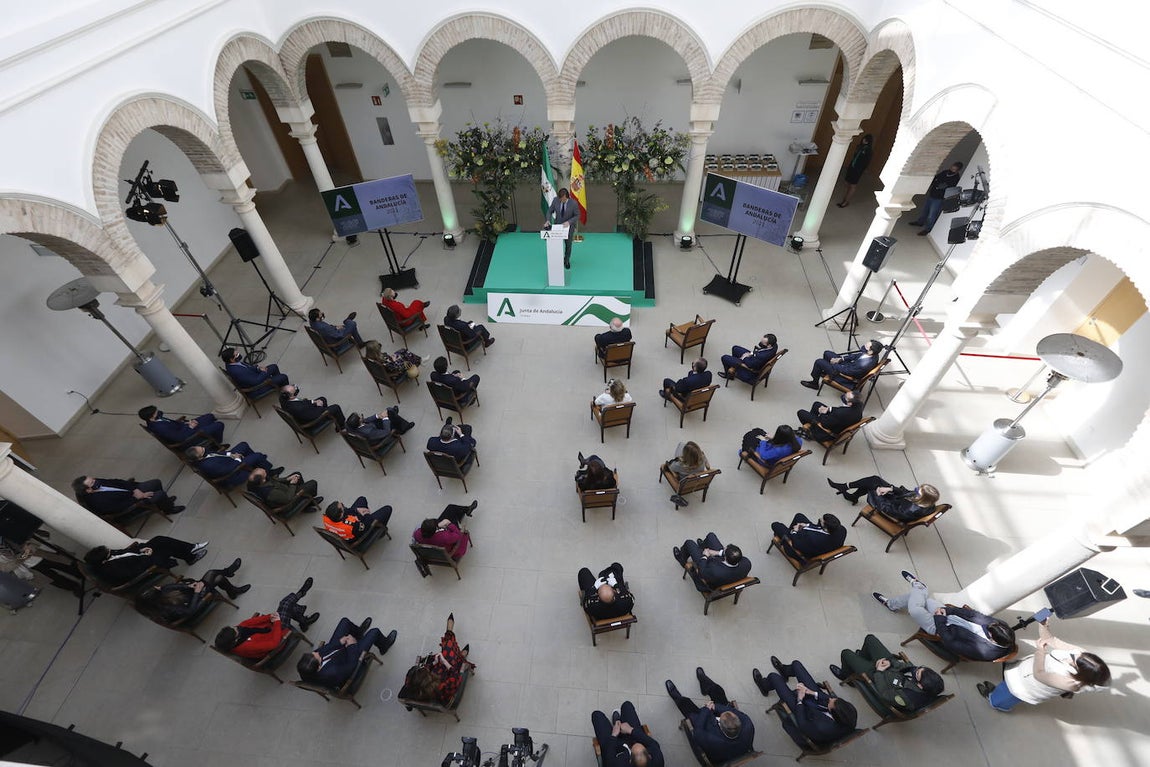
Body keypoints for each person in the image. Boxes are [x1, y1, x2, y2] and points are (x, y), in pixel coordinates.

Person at [874, 570, 1016, 661]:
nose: (987, 625)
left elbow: (950, 642)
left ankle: (918, 587)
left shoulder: (986, 652)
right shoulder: (999, 626)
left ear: (992, 637)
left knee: (915, 609)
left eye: (988, 629)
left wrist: (940, 619)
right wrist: (947, 611)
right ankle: (897, 601)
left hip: (941, 628)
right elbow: (972, 614)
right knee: (921, 599)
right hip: (948, 615)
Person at [976, 617, 1110, 711]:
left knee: (1010, 694)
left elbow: (1039, 674)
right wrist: (1043, 624)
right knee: (1007, 685)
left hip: (1027, 686)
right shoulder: (1080, 654)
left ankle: (994, 701)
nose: (1072, 653)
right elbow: (1050, 639)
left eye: (1074, 659)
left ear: (1080, 672)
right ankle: (996, 693)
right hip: (1024, 671)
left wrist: (1040, 651)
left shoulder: (1071, 683)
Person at [753, 656, 858, 748]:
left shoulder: (822, 728)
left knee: (773, 677)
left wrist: (800, 699)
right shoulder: (849, 711)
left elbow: (802, 723)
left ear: (833, 712)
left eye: (831, 701)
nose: (830, 698)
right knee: (796, 664)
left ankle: (764, 686)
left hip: (802, 711)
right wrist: (811, 692)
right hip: (816, 703)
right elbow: (827, 698)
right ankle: (785, 671)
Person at [832, 633, 945, 714]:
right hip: (890, 668)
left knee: (846, 653)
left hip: (878, 677)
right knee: (870, 639)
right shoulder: (925, 678)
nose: (916, 670)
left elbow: (884, 693)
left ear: (920, 685)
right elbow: (908, 667)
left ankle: (847, 675)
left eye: (917, 674)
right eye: (920, 669)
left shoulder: (907, 697)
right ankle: (863, 658)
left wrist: (879, 671)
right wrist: (890, 663)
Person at [214, 577, 321, 660]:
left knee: (287, 608)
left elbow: (251, 622)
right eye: (236, 630)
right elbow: (273, 644)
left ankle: (303, 620)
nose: (237, 627)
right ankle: (301, 595)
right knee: (285, 604)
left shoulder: (238, 631)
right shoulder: (248, 646)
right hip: (277, 638)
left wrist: (270, 616)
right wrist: (277, 622)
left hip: (269, 628)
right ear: (236, 640)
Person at [664, 668, 755, 764]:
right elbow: (732, 710)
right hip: (736, 746)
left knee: (687, 706)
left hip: (709, 733)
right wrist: (715, 707)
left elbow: (697, 732)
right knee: (718, 691)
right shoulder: (748, 725)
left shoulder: (713, 741)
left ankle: (677, 697)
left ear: (720, 725)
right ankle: (704, 684)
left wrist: (707, 709)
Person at [135, 557, 250, 623]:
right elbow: (190, 611)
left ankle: (232, 588)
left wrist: (190, 586)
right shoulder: (167, 609)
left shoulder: (161, 593)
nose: (156, 586)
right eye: (155, 588)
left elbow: (173, 587)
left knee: (216, 577)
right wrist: (197, 593)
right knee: (214, 575)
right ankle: (230, 581)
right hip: (197, 604)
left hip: (189, 595)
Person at [296, 616, 398, 688]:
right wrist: (352, 645)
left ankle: (358, 633)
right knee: (374, 632)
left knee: (344, 622)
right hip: (350, 658)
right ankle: (384, 645)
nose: (316, 652)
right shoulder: (332, 673)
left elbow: (324, 649)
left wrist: (340, 642)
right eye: (317, 656)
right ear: (318, 667)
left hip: (337, 653)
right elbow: (352, 666)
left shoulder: (307, 667)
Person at [398, 613, 476, 706]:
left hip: (436, 676)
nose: (423, 667)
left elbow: (417, 675)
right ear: (427, 677)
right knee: (449, 652)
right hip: (446, 680)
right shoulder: (442, 687)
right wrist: (445, 662)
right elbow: (456, 676)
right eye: (423, 669)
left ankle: (456, 646)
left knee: (445, 654)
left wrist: (433, 664)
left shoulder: (410, 684)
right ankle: (452, 638)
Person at [83, 536, 208, 586]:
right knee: (165, 550)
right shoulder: (113, 569)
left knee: (158, 540)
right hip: (145, 566)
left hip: (140, 556)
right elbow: (133, 571)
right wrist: (147, 556)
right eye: (110, 553)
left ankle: (191, 548)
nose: (112, 551)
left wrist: (142, 549)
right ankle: (190, 556)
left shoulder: (109, 554)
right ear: (104, 560)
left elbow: (123, 552)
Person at [590, 700, 664, 767]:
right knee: (627, 706)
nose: (631, 747)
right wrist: (631, 730)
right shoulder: (657, 761)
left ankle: (617, 724)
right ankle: (620, 723)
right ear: (649, 756)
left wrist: (614, 735)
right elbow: (653, 744)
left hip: (617, 750)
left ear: (630, 760)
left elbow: (608, 756)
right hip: (633, 738)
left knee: (597, 715)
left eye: (632, 749)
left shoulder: (617, 765)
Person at [827, 476, 940, 519]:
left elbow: (888, 509)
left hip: (888, 507)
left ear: (922, 498)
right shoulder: (926, 501)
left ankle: (847, 490)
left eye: (917, 491)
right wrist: (891, 489)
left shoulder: (910, 510)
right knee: (875, 480)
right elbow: (905, 492)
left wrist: (878, 493)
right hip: (896, 500)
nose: (914, 490)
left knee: (872, 485)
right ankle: (848, 490)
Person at [72, 475, 186, 517]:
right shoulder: (98, 501)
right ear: (88, 490)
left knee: (156, 482)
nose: (95, 481)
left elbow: (118, 481)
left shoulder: (97, 482)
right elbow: (118, 507)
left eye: (93, 479)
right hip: (132, 504)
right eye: (92, 482)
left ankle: (163, 503)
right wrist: (137, 497)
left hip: (131, 491)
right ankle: (168, 509)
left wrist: (135, 489)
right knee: (160, 494)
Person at [673, 532, 751, 589]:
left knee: (689, 543)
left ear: (726, 557)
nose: (723, 548)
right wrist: (718, 553)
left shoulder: (715, 572)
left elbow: (702, 571)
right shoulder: (747, 563)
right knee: (711, 536)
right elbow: (733, 557)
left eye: (724, 550)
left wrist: (705, 556)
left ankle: (682, 559)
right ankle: (703, 546)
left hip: (709, 569)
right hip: (723, 565)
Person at [800, 340, 884, 390]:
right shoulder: (873, 354)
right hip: (849, 366)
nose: (864, 346)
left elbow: (848, 372)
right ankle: (826, 371)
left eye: (866, 346)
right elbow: (856, 355)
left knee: (819, 362)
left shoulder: (864, 365)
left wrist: (834, 364)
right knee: (827, 353)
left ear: (871, 351)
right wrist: (841, 359)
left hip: (844, 376)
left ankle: (814, 383)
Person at [908, 161, 964, 235]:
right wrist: (936, 184)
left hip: (939, 198)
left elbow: (947, 186)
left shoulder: (956, 178)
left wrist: (939, 185)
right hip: (932, 194)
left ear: (957, 170)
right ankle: (920, 222)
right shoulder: (945, 172)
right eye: (951, 167)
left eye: (954, 169)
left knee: (932, 215)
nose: (951, 170)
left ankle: (928, 229)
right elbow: (935, 179)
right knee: (925, 210)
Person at [185, 442, 275, 488]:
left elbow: (216, 454)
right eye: (201, 449)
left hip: (227, 460)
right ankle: (268, 472)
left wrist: (230, 454)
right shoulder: (208, 465)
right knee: (257, 456)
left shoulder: (203, 453)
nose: (203, 448)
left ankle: (257, 464)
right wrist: (237, 458)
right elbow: (227, 470)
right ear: (199, 457)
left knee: (243, 445)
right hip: (234, 473)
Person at [412, 501, 477, 561]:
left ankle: (466, 510)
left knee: (450, 509)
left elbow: (418, 531)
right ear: (435, 530)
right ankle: (466, 510)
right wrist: (449, 524)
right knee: (452, 516)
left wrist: (439, 525)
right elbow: (458, 535)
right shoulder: (444, 537)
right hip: (452, 550)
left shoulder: (417, 534)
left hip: (435, 550)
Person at [770, 513, 846, 562]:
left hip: (801, 551)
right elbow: (818, 529)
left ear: (825, 528)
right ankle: (789, 531)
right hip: (818, 544)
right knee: (799, 516)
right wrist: (806, 526)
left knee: (776, 525)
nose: (819, 519)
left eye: (821, 521)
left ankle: (784, 537)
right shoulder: (842, 530)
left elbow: (796, 544)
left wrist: (795, 531)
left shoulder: (812, 539)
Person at [138, 405, 225, 447]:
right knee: (219, 425)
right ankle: (216, 443)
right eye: (156, 412)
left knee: (210, 416)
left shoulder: (156, 418)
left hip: (184, 428)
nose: (159, 411)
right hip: (188, 437)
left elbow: (174, 424)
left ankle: (210, 433)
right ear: (152, 416)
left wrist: (186, 423)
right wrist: (190, 427)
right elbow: (180, 438)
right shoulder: (161, 428)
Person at [797, 391, 864, 443]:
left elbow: (825, 424)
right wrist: (829, 409)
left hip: (828, 432)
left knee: (801, 412)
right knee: (816, 404)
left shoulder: (841, 413)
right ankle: (812, 426)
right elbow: (841, 410)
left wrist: (823, 413)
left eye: (846, 397)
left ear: (850, 403)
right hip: (838, 423)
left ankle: (812, 431)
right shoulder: (859, 406)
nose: (844, 396)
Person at [220, 346, 289, 396]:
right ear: (231, 359)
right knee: (283, 377)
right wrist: (263, 372)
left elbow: (248, 367)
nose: (239, 355)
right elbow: (255, 382)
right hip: (256, 389)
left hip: (255, 376)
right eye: (236, 355)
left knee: (274, 366)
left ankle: (280, 386)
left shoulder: (231, 363)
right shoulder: (237, 371)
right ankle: (287, 394)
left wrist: (258, 368)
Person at [278, 384, 346, 431]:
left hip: (304, 411)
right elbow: (311, 416)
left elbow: (303, 403)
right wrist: (321, 408)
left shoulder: (283, 398)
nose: (296, 391)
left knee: (322, 399)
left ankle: (328, 415)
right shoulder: (298, 408)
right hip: (310, 420)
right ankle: (340, 426)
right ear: (290, 397)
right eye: (295, 393)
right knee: (336, 407)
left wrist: (314, 402)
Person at [323, 498, 392, 543]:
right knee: (387, 509)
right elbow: (367, 524)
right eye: (342, 506)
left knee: (361, 499)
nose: (343, 504)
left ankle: (360, 512)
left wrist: (356, 510)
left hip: (348, 529)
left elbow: (346, 511)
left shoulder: (327, 517)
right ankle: (381, 531)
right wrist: (366, 514)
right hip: (359, 533)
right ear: (341, 514)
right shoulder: (352, 526)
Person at [246, 467, 320, 509]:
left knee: (297, 474)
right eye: (264, 472)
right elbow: (288, 498)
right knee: (312, 484)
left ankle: (304, 498)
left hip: (282, 490)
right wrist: (292, 484)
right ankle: (306, 503)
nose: (266, 471)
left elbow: (274, 480)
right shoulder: (269, 492)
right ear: (263, 479)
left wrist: (287, 479)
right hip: (287, 502)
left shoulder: (258, 482)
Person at [665, 441, 708, 508]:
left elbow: (671, 468)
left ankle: (685, 449)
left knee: (681, 444)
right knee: (684, 445)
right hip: (698, 481)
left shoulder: (679, 465)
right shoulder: (703, 457)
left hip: (684, 484)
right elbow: (707, 465)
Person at [544, 187, 579, 268]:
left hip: (569, 228)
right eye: (560, 199)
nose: (561, 201)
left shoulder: (573, 203)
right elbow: (549, 211)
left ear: (567, 197)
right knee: (557, 244)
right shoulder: (556, 200)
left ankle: (566, 260)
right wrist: (548, 220)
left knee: (568, 245)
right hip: (558, 227)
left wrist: (569, 222)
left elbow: (577, 215)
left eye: (563, 200)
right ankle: (557, 260)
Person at [345, 407, 415, 446]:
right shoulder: (369, 432)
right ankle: (403, 428)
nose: (361, 416)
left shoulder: (348, 425)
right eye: (360, 416)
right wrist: (385, 418)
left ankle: (392, 413)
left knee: (389, 412)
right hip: (378, 438)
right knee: (389, 414)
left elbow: (364, 421)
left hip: (371, 428)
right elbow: (386, 432)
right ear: (359, 421)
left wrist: (377, 416)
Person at [836, 133, 873, 207]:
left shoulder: (868, 151)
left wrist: (863, 170)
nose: (864, 141)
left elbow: (866, 162)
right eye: (864, 139)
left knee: (853, 185)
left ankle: (846, 201)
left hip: (858, 170)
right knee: (847, 182)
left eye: (866, 140)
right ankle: (845, 197)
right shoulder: (859, 147)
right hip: (852, 167)